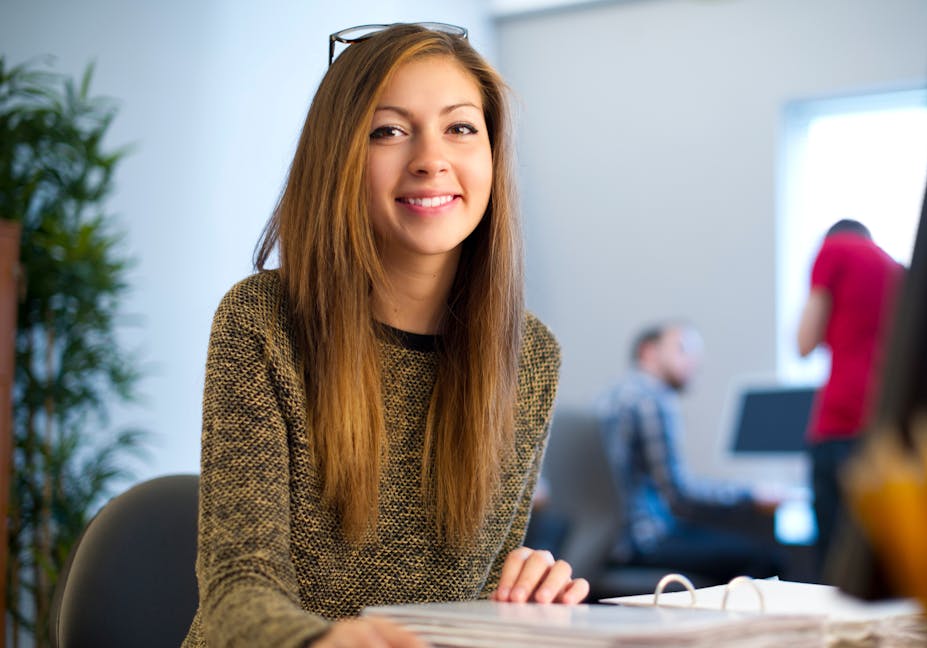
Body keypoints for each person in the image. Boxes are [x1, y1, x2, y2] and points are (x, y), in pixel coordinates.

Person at [182, 23, 588, 648]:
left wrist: (518, 599)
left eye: (460, 128)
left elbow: (472, 594)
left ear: (492, 155)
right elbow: (239, 583)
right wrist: (321, 642)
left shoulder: (529, 354)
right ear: (339, 158)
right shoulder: (262, 320)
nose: (430, 158)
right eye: (389, 131)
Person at [595, 323, 784, 585]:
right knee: (768, 558)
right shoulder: (650, 398)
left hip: (613, 540)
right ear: (648, 351)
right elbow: (680, 494)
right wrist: (750, 495)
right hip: (647, 540)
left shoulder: (613, 395)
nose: (692, 361)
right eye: (682, 349)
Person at [797, 219, 904, 576]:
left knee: (832, 559)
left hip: (839, 420)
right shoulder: (894, 268)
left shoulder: (834, 250)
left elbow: (804, 342)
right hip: (883, 420)